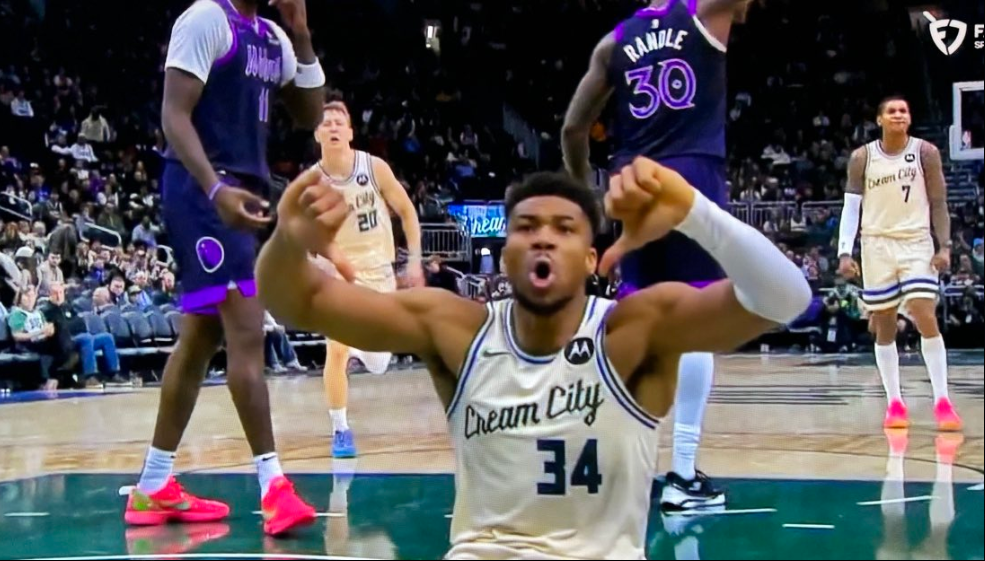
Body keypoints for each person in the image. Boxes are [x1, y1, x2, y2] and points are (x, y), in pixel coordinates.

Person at [257, 157, 812, 559]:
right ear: (506, 256)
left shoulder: (634, 332)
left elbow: (787, 298)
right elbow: (298, 300)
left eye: (564, 229)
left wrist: (693, 211)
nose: (543, 238)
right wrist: (287, 238)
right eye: (526, 228)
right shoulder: (456, 329)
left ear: (591, 258)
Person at [124, 0, 326, 536]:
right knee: (246, 327)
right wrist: (215, 190)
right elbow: (173, 116)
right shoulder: (205, 19)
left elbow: (311, 116)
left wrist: (302, 35)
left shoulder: (272, 37)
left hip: (244, 191)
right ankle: (274, 487)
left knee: (201, 338)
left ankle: (152, 485)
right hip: (203, 191)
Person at [561, 0, 752, 510]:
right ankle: (683, 475)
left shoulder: (614, 40)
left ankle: (612, 466)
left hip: (632, 178)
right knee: (697, 321)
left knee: (639, 320)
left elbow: (573, 129)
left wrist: (587, 199)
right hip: (691, 174)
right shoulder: (704, 12)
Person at [837, 96, 962, 432]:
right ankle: (894, 402)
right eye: (891, 111)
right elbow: (851, 208)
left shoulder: (925, 152)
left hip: (916, 241)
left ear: (909, 118)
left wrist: (945, 246)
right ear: (879, 119)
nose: (898, 115)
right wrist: (845, 252)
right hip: (876, 244)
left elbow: (938, 202)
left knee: (923, 312)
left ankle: (942, 401)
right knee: (885, 324)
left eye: (903, 111)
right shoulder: (862, 157)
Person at [309, 101, 424, 459]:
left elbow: (407, 212)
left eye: (339, 122)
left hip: (380, 275)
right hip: (340, 277)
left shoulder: (373, 168)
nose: (333, 127)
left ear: (350, 132)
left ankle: (364, 347)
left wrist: (415, 261)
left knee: (379, 363)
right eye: (326, 123)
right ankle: (340, 429)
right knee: (336, 348)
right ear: (317, 133)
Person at [42, 281, 124, 387]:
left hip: (77, 339)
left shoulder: (68, 307)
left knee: (107, 338)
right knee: (86, 338)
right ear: (49, 294)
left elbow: (80, 324)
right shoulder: (47, 311)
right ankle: (89, 377)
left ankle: (113, 374)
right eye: (55, 293)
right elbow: (59, 330)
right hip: (62, 344)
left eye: (61, 293)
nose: (58, 296)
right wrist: (68, 326)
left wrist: (67, 325)